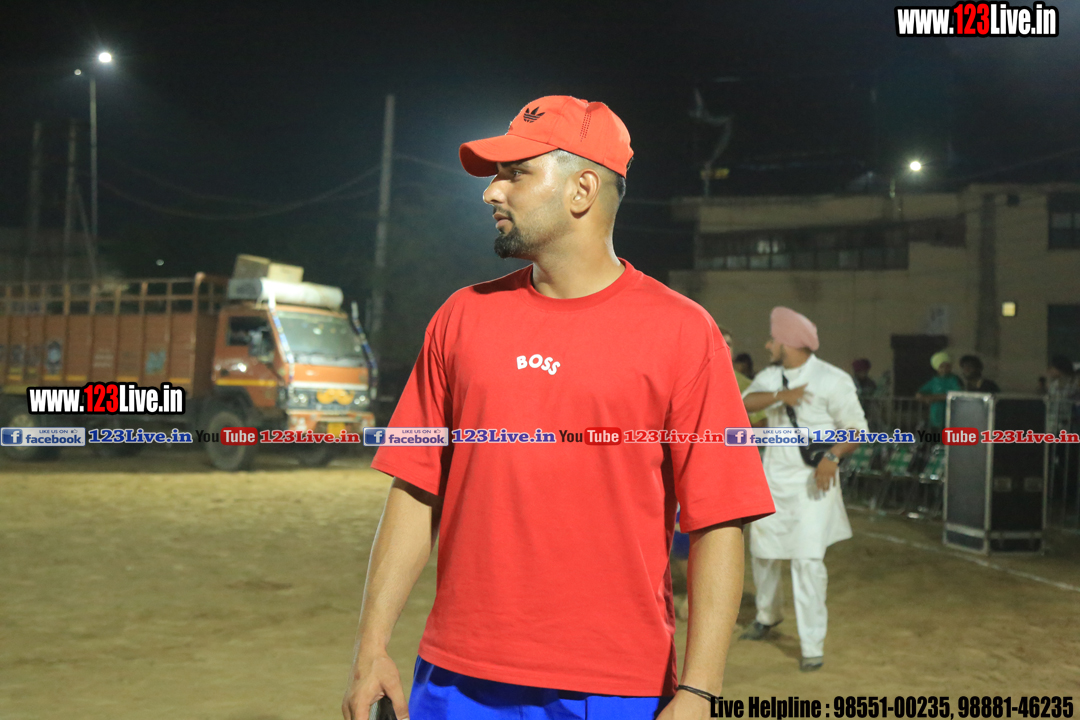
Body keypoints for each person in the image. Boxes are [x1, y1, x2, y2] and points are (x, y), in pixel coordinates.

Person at [342, 96, 775, 720]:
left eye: (515, 174)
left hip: (612, 684)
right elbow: (414, 488)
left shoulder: (683, 332)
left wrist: (701, 689)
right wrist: (372, 647)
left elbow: (718, 518)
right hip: (457, 675)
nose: (492, 192)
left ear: (582, 189)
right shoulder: (460, 318)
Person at [739, 307, 868, 673]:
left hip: (814, 483)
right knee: (763, 553)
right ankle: (767, 615)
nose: (768, 345)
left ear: (789, 342)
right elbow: (745, 403)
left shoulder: (832, 379)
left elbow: (857, 428)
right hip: (773, 480)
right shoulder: (770, 377)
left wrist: (833, 456)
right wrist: (782, 396)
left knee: (807, 561)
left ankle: (812, 645)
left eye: (773, 340)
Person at [915, 351, 964, 432]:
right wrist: (922, 397)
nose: (944, 369)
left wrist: (934, 398)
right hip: (936, 414)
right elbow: (920, 393)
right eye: (941, 366)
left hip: (951, 413)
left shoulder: (954, 379)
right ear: (937, 368)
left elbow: (957, 394)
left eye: (947, 366)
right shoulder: (934, 380)